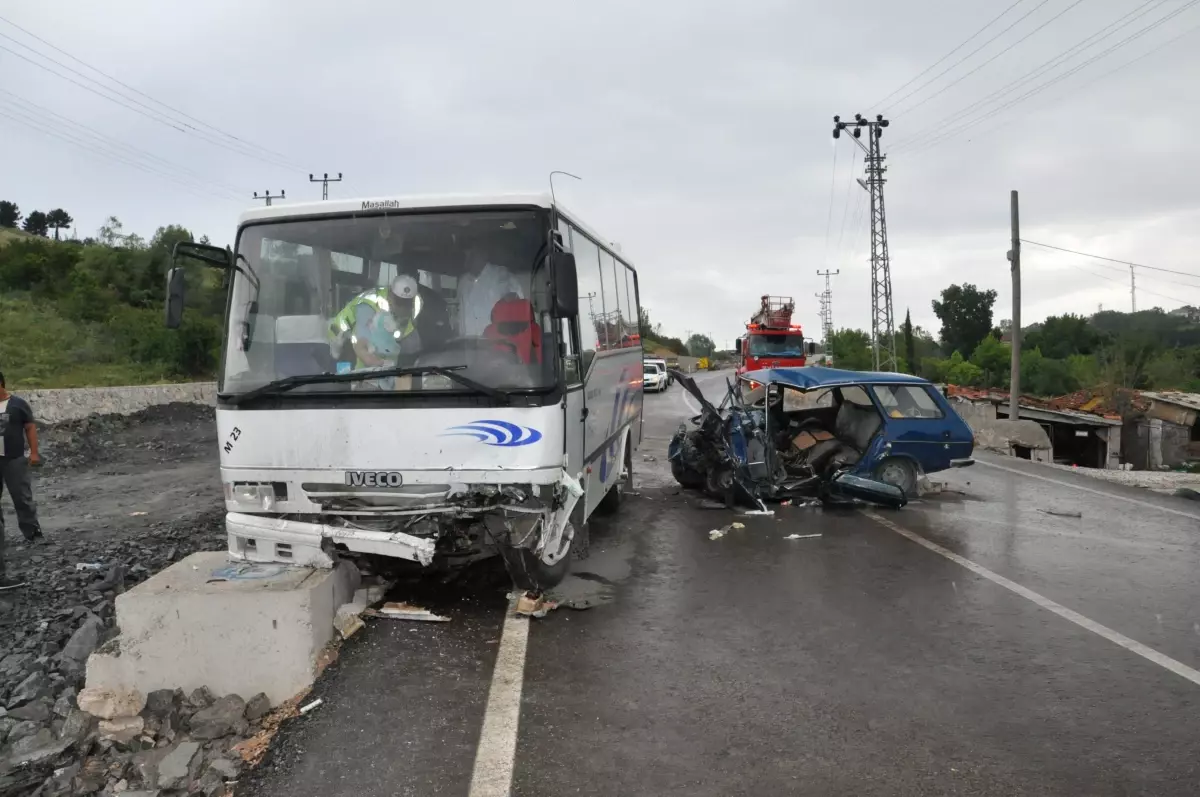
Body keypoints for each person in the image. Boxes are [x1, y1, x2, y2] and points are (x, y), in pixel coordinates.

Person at [0, 371, 43, 590]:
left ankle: (32, 532)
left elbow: (30, 427)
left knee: (22, 497)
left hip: (14, 459)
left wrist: (34, 453)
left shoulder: (17, 405)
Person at [328, 275, 423, 371]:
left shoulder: (416, 306)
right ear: (390, 296)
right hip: (339, 341)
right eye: (399, 302)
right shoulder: (369, 307)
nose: (402, 308)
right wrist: (384, 364)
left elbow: (412, 347)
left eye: (407, 304)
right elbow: (363, 350)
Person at [456, 245, 524, 338]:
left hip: (496, 346)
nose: (468, 258)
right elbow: (460, 318)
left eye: (472, 254)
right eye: (465, 254)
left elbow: (518, 313)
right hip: (468, 347)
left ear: (484, 255)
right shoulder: (463, 283)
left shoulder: (502, 276)